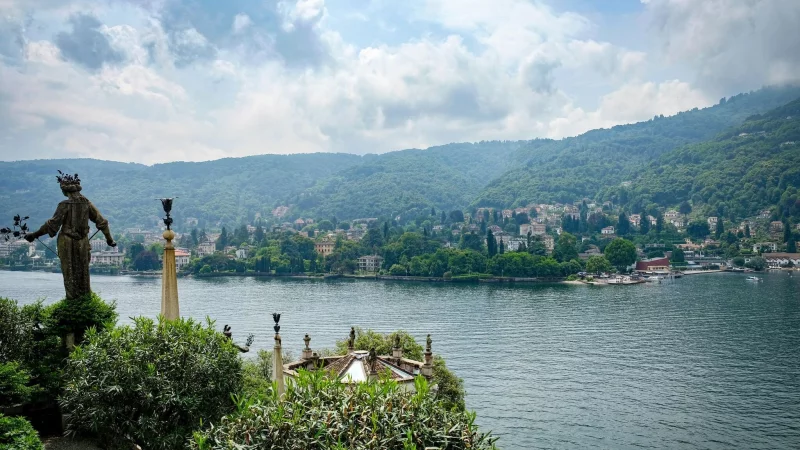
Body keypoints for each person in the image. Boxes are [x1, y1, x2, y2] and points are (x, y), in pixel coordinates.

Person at [25, 172, 115, 300]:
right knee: (83, 271)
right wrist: (109, 239)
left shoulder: (64, 205)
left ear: (64, 190)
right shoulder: (87, 204)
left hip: (66, 241)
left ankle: (72, 300)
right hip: (83, 242)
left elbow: (52, 225)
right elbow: (102, 222)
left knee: (69, 271)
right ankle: (85, 298)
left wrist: (34, 234)